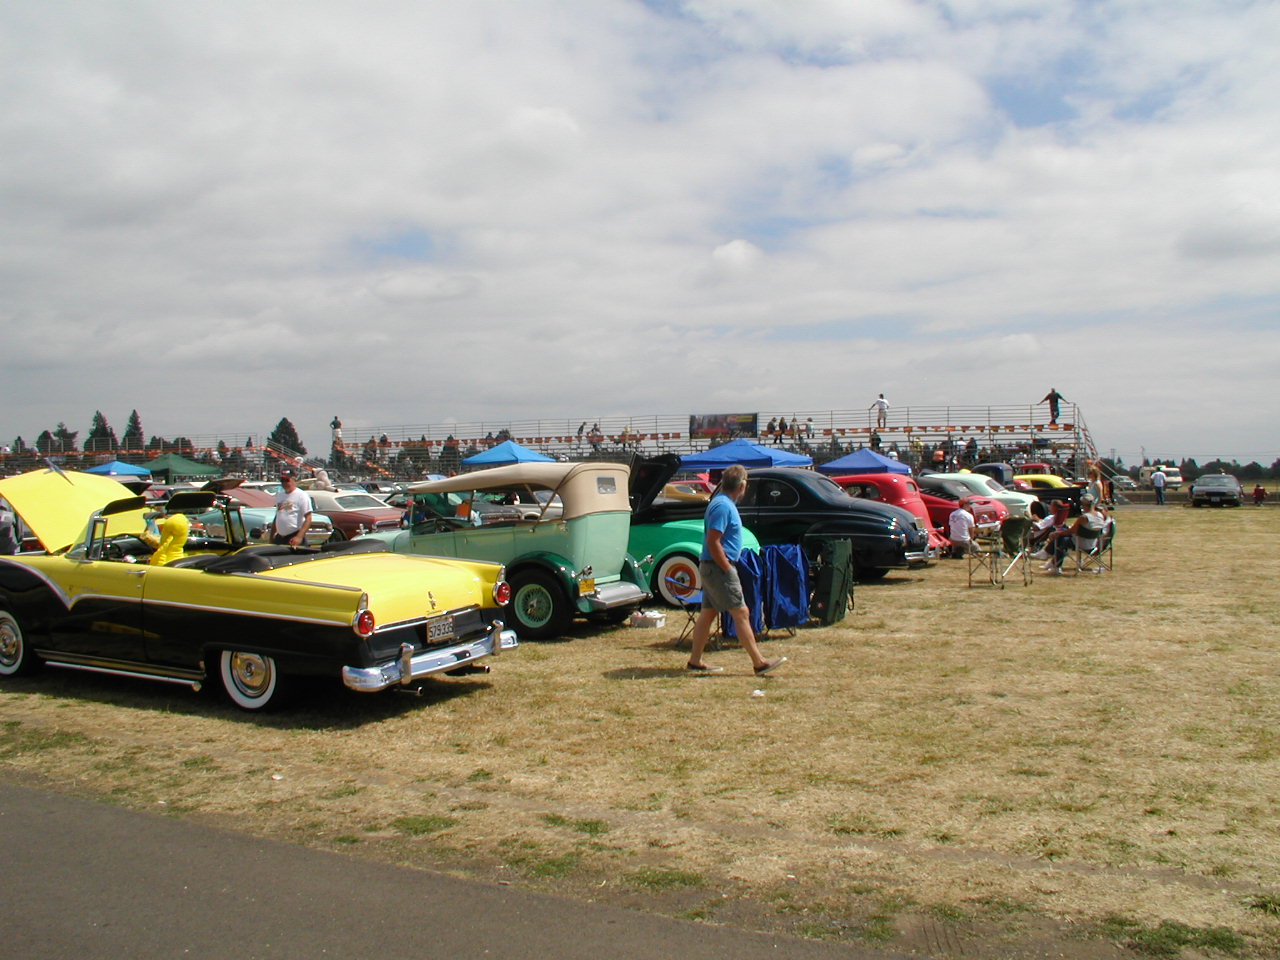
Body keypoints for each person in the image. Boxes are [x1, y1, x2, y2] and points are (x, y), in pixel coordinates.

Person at [685, 465, 786, 677]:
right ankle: (759, 663)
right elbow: (713, 542)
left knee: (708, 613)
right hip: (718, 567)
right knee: (741, 612)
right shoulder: (722, 506)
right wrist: (726, 568)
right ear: (741, 485)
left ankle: (695, 661)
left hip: (713, 567)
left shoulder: (722, 503)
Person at [270, 468, 313, 546]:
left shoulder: (301, 495)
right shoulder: (280, 495)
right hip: (280, 538)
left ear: (294, 480)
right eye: (282, 480)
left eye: (287, 480)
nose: (284, 483)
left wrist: (299, 537)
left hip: (294, 537)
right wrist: (272, 535)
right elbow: (278, 516)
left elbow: (308, 518)